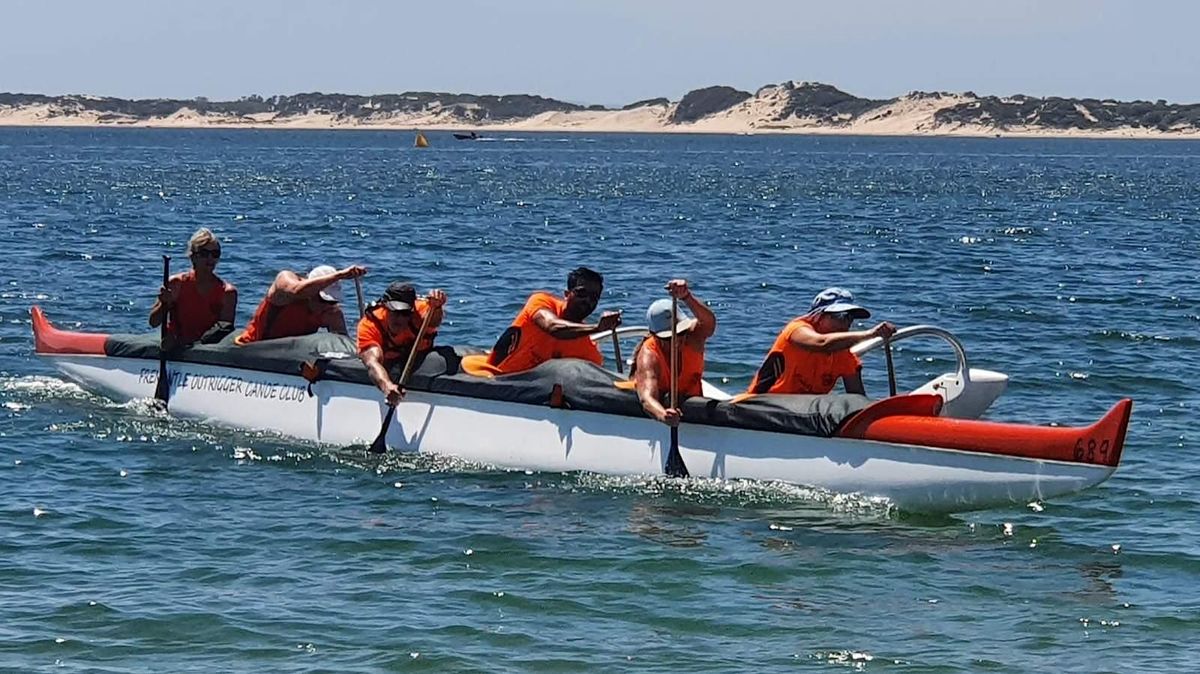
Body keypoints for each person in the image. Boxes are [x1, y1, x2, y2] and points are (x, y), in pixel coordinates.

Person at [747, 287, 896, 396]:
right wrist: (871, 334)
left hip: (802, 415)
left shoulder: (844, 355)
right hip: (762, 406)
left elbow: (857, 396)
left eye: (851, 317)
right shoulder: (796, 330)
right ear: (819, 316)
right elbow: (821, 343)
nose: (847, 323)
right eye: (841, 316)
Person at [487, 266, 622, 373]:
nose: (587, 300)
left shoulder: (587, 350)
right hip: (499, 379)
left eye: (594, 297)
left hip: (534, 395)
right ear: (567, 294)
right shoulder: (541, 301)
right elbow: (552, 327)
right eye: (581, 293)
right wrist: (597, 328)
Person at [630, 279, 716, 427]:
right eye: (669, 338)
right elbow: (647, 398)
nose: (677, 340)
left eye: (680, 333)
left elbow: (709, 323)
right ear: (654, 335)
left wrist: (686, 297)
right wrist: (663, 415)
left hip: (694, 405)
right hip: (668, 409)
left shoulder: (693, 336)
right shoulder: (649, 356)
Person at [357, 282, 448, 405]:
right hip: (390, 361)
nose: (399, 319)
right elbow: (372, 361)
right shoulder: (370, 324)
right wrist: (387, 386)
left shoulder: (422, 311)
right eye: (394, 311)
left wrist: (437, 306)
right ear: (384, 307)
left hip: (419, 356)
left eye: (404, 313)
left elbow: (434, 321)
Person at [234, 264, 367, 345]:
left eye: (331, 301)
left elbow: (342, 343)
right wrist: (340, 275)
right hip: (252, 348)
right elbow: (297, 290)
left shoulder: (330, 313)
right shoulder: (284, 286)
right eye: (322, 300)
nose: (325, 306)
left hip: (288, 357)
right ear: (311, 291)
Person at [148, 228, 237, 346]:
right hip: (176, 346)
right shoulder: (176, 284)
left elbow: (224, 329)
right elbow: (153, 322)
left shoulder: (227, 292)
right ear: (193, 256)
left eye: (215, 254)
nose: (210, 259)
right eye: (204, 254)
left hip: (206, 349)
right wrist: (164, 305)